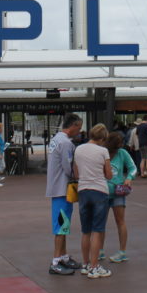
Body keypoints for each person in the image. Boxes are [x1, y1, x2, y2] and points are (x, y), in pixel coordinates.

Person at [73, 123, 113, 279]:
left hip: (83, 190)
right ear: (103, 137)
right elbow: (109, 175)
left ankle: (85, 264)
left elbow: (76, 174)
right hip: (99, 191)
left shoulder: (78, 149)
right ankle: (94, 266)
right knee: (97, 230)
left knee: (86, 230)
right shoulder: (103, 151)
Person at [46, 113, 84, 275]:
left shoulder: (56, 140)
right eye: (79, 127)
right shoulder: (66, 143)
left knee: (63, 224)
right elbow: (68, 167)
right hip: (63, 188)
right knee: (61, 225)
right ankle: (56, 261)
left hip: (56, 187)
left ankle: (63, 256)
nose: (80, 131)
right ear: (73, 126)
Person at [104, 131, 136, 263]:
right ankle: (99, 249)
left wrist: (129, 178)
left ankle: (122, 251)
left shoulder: (122, 153)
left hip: (118, 192)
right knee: (100, 222)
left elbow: (133, 168)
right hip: (103, 192)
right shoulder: (102, 152)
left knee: (120, 221)